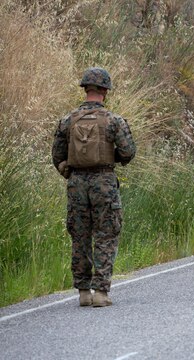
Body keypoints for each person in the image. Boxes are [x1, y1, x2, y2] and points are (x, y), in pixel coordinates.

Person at [51, 67, 136, 307]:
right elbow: (128, 152)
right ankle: (101, 292)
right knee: (106, 235)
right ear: (105, 91)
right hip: (104, 183)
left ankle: (83, 293)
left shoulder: (68, 120)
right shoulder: (114, 120)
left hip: (76, 184)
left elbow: (57, 156)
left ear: (86, 89)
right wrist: (110, 159)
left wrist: (71, 170)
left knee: (80, 236)